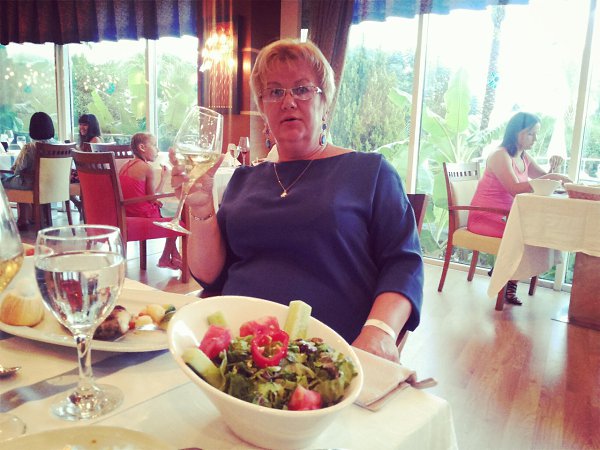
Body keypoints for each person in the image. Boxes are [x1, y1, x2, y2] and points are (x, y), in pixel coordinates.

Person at [170, 39, 423, 362]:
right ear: (263, 108)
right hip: (236, 350)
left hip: (325, 355)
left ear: (324, 102)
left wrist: (380, 331)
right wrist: (202, 208)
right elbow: (210, 276)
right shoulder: (244, 179)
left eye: (302, 89)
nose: (288, 101)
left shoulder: (370, 172)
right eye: (275, 92)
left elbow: (403, 263)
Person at [468, 111, 571, 305]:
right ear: (517, 132)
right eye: (531, 133)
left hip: (507, 217)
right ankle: (507, 279)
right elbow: (514, 189)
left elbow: (541, 179)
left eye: (536, 134)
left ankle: (505, 271)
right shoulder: (500, 156)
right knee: (528, 234)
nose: (535, 139)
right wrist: (553, 177)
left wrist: (553, 171)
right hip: (486, 217)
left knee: (540, 231)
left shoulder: (523, 157)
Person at [119, 132, 182, 270]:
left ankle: (174, 255)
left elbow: (147, 197)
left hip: (127, 211)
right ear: (142, 147)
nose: (157, 150)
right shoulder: (147, 168)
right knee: (177, 216)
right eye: (154, 145)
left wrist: (154, 200)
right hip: (142, 214)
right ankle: (165, 257)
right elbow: (153, 198)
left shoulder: (125, 165)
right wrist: (164, 179)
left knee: (167, 210)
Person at [1, 112, 56, 228]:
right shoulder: (58, 146)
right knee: (21, 179)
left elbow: (17, 169)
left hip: (32, 184)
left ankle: (21, 219)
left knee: (10, 180)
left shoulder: (29, 147)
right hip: (53, 184)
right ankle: (31, 217)